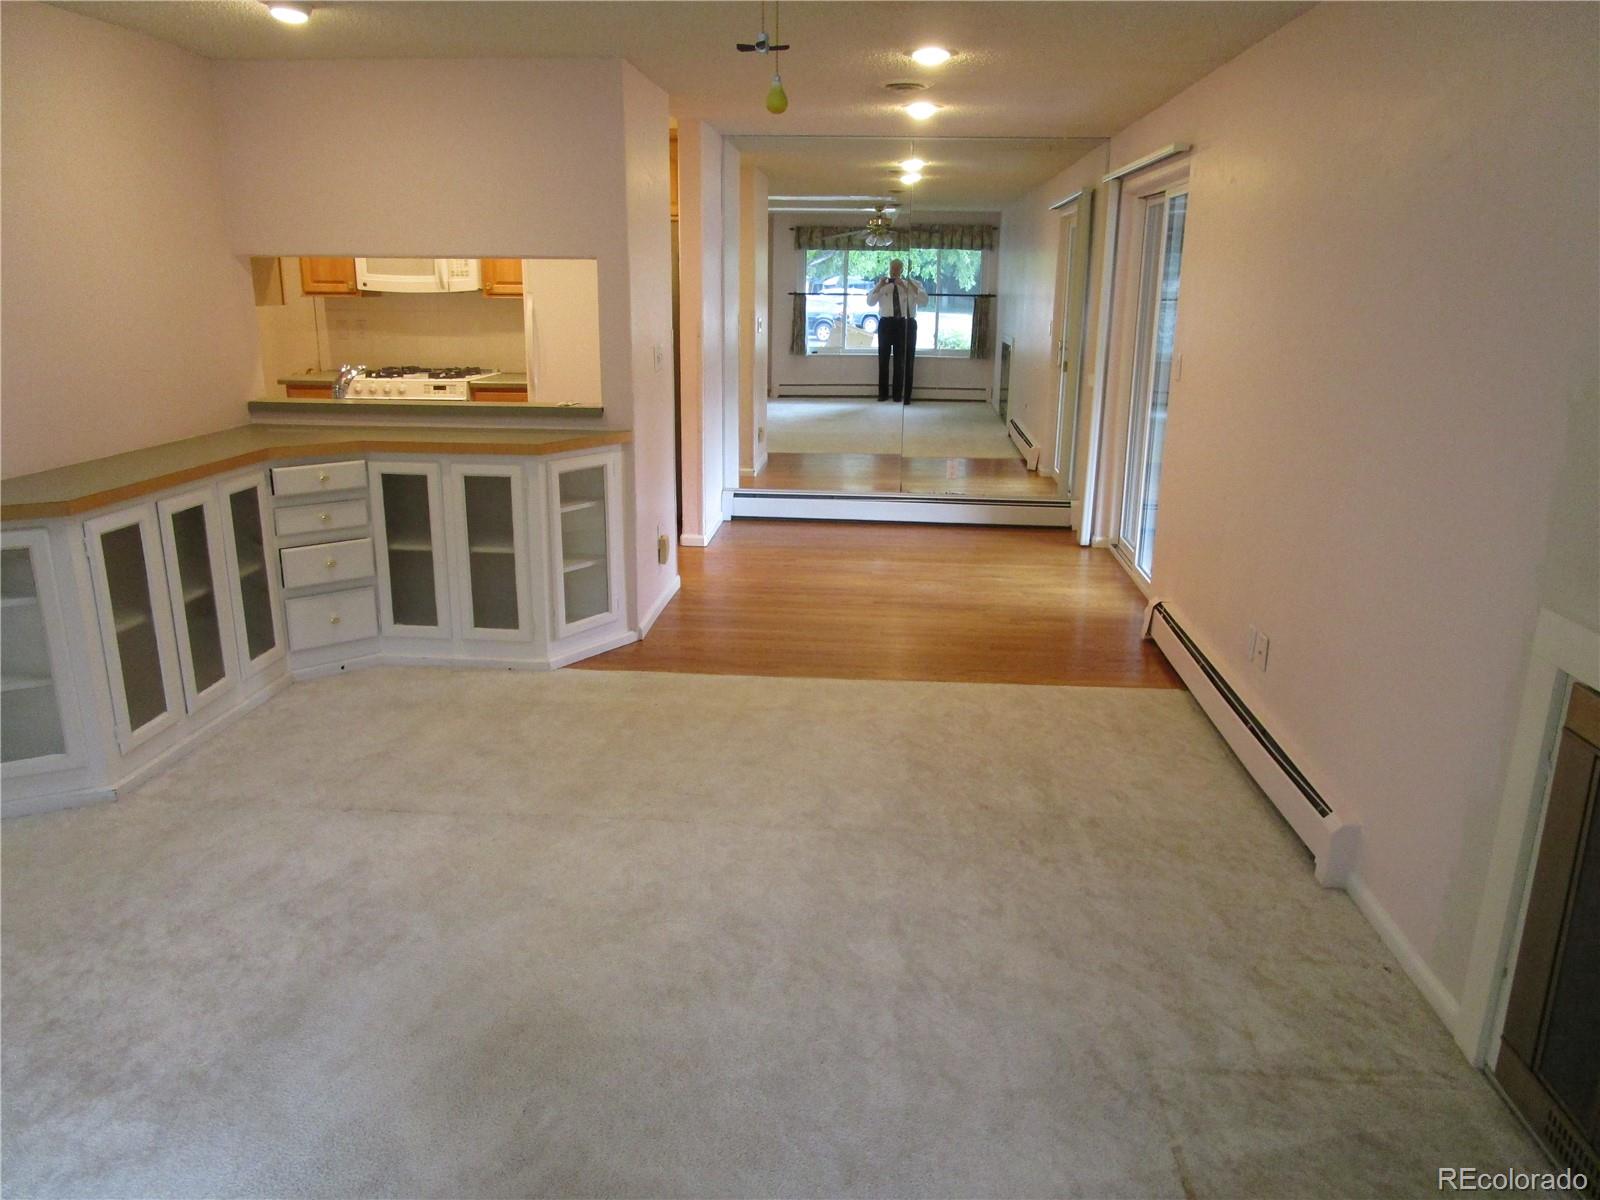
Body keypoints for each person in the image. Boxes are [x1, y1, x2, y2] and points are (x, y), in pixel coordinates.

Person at [867, 259, 928, 404]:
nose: (894, 271)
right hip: (886, 323)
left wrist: (906, 284)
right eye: (892, 268)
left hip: (905, 323)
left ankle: (899, 395)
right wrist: (879, 285)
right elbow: (870, 302)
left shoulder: (914, 284)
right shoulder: (883, 284)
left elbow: (924, 301)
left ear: (903, 269)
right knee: (883, 359)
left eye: (897, 268)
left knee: (902, 361)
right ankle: (882, 394)